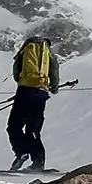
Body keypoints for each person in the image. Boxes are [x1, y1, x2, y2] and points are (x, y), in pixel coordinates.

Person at [7, 36, 60, 172]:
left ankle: (21, 152)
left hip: (25, 90)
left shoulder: (27, 47)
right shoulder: (49, 53)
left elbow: (16, 68)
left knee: (14, 125)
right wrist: (53, 87)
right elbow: (54, 71)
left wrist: (21, 82)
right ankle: (38, 162)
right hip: (41, 92)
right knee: (33, 129)